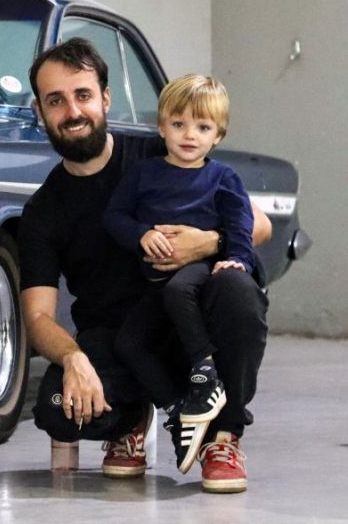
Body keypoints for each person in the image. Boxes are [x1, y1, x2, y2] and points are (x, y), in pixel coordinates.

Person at [19, 38, 270, 494]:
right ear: (40, 111)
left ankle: (224, 437)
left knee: (237, 289)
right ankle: (133, 418)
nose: (72, 111)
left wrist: (206, 243)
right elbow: (37, 316)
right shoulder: (43, 210)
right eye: (55, 100)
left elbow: (261, 225)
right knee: (57, 408)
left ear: (105, 98)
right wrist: (73, 358)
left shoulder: (164, 148)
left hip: (191, 321)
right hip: (120, 339)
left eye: (82, 95)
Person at [103, 74, 257, 474]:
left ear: (217, 135)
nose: (189, 135)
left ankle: (205, 375)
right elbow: (115, 217)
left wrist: (236, 257)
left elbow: (240, 223)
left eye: (203, 127)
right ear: (161, 127)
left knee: (179, 290)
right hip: (156, 283)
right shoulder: (143, 173)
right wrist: (142, 234)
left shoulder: (223, 177)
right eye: (178, 124)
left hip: (198, 273)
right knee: (129, 343)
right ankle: (178, 410)